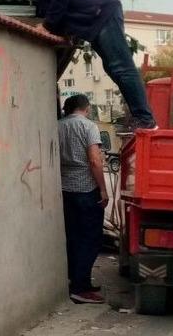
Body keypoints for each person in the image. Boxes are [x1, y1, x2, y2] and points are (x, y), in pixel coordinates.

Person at [0, 0, 157, 130]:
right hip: (97, 18)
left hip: (102, 13)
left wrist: (47, 26)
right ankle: (141, 117)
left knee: (121, 67)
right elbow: (67, 3)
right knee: (113, 69)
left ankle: (145, 119)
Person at [58, 94, 108, 304]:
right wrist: (103, 189)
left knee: (72, 237)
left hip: (63, 188)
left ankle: (77, 281)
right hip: (86, 190)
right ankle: (80, 287)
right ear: (86, 108)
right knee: (91, 239)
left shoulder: (57, 126)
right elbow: (95, 161)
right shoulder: (88, 127)